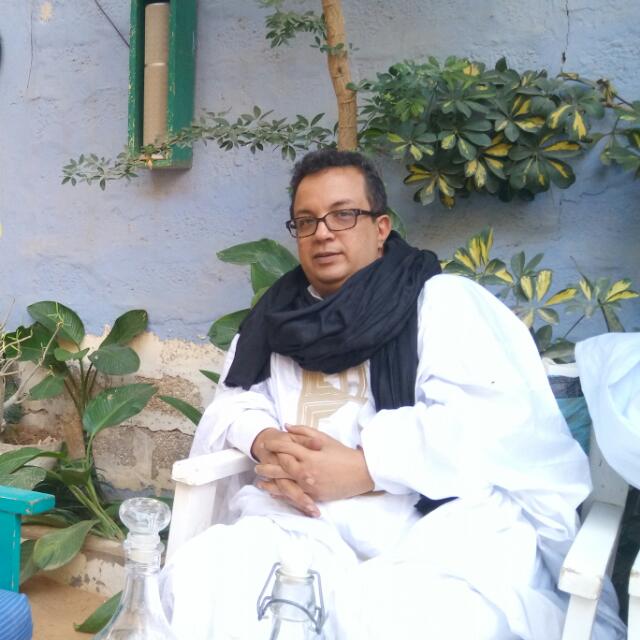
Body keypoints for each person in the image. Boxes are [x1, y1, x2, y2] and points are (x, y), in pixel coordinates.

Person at [160, 150, 625, 639]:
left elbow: (487, 423)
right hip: (302, 518)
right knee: (211, 577)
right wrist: (263, 439)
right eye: (306, 221)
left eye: (343, 214)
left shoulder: (443, 302)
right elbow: (236, 398)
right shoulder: (277, 318)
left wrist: (365, 468)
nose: (323, 233)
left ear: (380, 227)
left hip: (436, 525)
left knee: (394, 616)